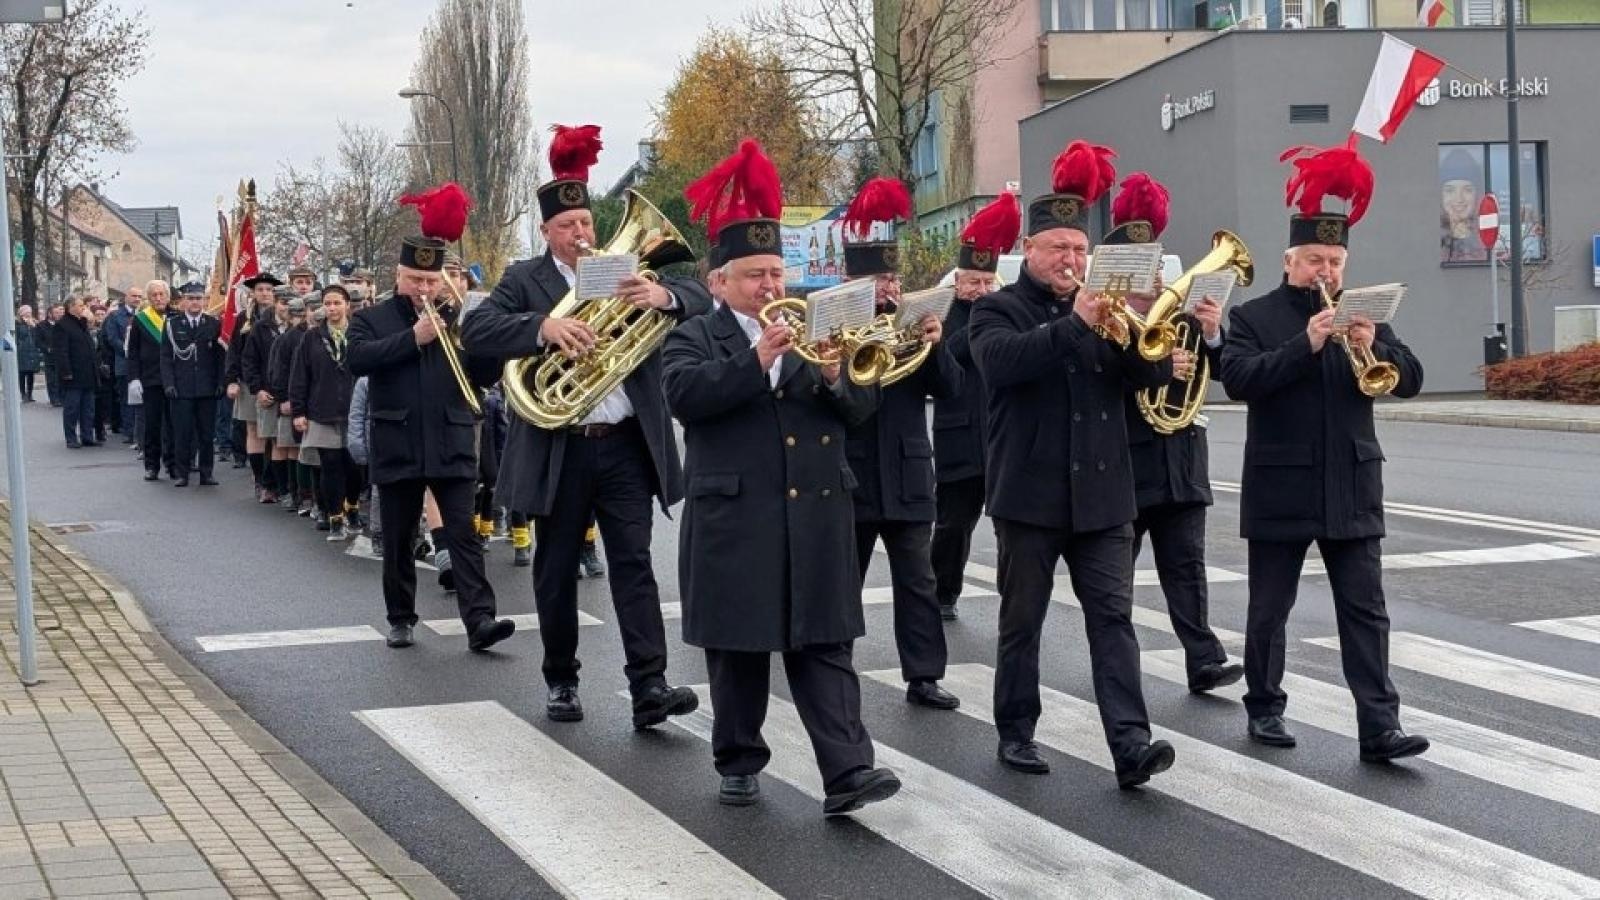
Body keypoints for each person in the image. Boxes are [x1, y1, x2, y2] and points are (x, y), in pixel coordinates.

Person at [662, 139, 900, 815]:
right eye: (754, 275)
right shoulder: (694, 338)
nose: (771, 286)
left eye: (776, 273)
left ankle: (849, 771)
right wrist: (756, 359)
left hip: (817, 513)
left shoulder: (817, 328)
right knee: (739, 651)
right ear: (718, 283)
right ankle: (738, 759)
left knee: (825, 646)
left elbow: (860, 408)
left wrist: (832, 374)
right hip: (736, 517)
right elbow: (687, 398)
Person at [462, 125, 707, 729]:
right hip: (559, 445)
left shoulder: (631, 271)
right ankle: (562, 679)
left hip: (624, 444)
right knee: (555, 568)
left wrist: (664, 298)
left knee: (634, 564)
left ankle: (650, 684)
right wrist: (543, 329)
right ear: (547, 232)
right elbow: (477, 332)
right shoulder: (524, 280)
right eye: (568, 227)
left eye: (587, 223)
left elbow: (703, 299)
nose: (582, 234)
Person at [969, 139, 1178, 789]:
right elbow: (1003, 365)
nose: (1071, 260)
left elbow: (1148, 379)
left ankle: (1130, 742)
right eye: (1059, 248)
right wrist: (1078, 325)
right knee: (1022, 621)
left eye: (1080, 250)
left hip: (1104, 496)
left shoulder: (1107, 308)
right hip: (1028, 495)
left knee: (1113, 620)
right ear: (1029, 251)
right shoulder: (996, 310)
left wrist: (1145, 331)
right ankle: (1017, 732)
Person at [1221, 138, 1429, 763]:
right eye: (1315, 259)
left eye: (1335, 260)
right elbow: (1238, 380)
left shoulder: (1360, 313)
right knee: (1270, 610)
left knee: (1366, 613)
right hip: (1282, 485)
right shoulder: (1255, 316)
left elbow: (1411, 378)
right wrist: (1303, 346)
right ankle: (1264, 708)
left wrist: (1377, 344)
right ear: (1291, 260)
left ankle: (1379, 728)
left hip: (1352, 485)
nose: (1326, 272)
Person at [347, 187, 514, 653]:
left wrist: (492, 348)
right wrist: (413, 337)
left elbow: (481, 377)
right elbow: (357, 360)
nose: (424, 290)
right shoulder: (374, 319)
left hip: (451, 437)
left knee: (463, 536)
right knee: (399, 538)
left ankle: (480, 620)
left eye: (431, 280)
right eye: (415, 280)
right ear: (398, 275)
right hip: (397, 440)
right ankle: (400, 617)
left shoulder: (459, 316)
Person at [1106, 173, 1244, 694]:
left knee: (1187, 567)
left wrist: (1210, 332)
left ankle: (1204, 658)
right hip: (1126, 462)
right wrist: (1158, 366)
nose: (1159, 282)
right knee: (1115, 575)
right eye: (1146, 273)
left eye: (1159, 270)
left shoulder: (1180, 317)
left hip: (1183, 458)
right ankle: (1116, 661)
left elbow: (1229, 372)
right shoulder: (1109, 322)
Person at [838, 176, 962, 710]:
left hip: (909, 473)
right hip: (853, 474)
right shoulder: (837, 327)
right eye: (877, 280)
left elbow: (952, 389)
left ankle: (925, 675)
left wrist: (934, 345)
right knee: (844, 581)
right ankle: (832, 666)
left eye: (891, 278)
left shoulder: (911, 325)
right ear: (851, 282)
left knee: (918, 580)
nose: (888, 289)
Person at [930, 193, 1019, 621]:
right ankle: (942, 593)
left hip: (1002, 434)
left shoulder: (1005, 310)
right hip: (958, 435)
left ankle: (1014, 594)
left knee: (1010, 526)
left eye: (987, 283)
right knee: (953, 525)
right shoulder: (944, 312)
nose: (981, 290)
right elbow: (948, 353)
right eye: (973, 283)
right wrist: (981, 320)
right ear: (958, 281)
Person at [291, 285, 362, 540]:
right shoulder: (312, 337)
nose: (332, 308)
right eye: (328, 304)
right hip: (322, 410)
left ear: (347, 305)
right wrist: (299, 411)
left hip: (355, 410)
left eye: (337, 303)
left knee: (355, 467)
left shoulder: (359, 333)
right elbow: (300, 375)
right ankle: (334, 517)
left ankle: (352, 506)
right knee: (330, 466)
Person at [160, 282, 226, 487]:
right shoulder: (172, 324)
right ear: (183, 301)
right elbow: (165, 357)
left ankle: (207, 473)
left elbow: (220, 358)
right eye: (190, 298)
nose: (195, 302)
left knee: (207, 434)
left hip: (207, 388)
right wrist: (169, 383)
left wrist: (221, 382)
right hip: (181, 387)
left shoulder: (213, 324)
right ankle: (182, 473)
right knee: (182, 433)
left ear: (204, 301)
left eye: (198, 298)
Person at [127, 282, 173, 479]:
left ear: (168, 296)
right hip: (150, 378)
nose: (158, 298)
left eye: (162, 294)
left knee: (173, 425)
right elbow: (133, 352)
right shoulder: (140, 320)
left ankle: (173, 464)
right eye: (154, 295)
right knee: (152, 425)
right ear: (149, 297)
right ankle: (152, 465)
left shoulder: (176, 317)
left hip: (173, 380)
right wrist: (133, 378)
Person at [54, 297, 100, 448]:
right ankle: (71, 438)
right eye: (80, 305)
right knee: (72, 408)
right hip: (73, 374)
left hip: (88, 373)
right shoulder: (62, 325)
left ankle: (87, 436)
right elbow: (61, 351)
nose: (83, 308)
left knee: (88, 408)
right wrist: (66, 372)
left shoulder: (82, 323)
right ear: (70, 307)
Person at [1438, 147, 1487, 264]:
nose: (1459, 199)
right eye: (1450, 190)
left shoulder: (1488, 243)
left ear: (1477, 194)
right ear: (1440, 195)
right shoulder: (1433, 243)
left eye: (1467, 190)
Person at [37, 304, 62, 407]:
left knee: (59, 378)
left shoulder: (61, 324)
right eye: (56, 313)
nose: (58, 314)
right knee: (51, 379)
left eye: (59, 312)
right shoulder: (42, 325)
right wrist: (46, 348)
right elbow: (38, 340)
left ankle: (61, 397)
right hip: (49, 356)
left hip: (60, 355)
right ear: (50, 314)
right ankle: (54, 399)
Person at [15, 305, 41, 402]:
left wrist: (33, 327)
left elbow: (37, 335)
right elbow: (18, 336)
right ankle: (23, 394)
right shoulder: (17, 323)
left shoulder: (34, 322)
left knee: (31, 373)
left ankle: (30, 394)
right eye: (26, 311)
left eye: (30, 311)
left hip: (32, 351)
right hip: (22, 351)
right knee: (22, 373)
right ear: (21, 313)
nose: (29, 313)